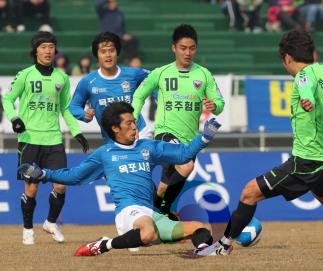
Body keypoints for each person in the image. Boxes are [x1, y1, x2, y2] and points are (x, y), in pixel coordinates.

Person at [195, 29, 323, 256]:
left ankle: (222, 247)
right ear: (312, 53)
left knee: (249, 193)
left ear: (288, 58)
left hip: (307, 161)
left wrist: (307, 99)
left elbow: (304, 87)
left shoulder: (302, 77)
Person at [18, 101, 221, 256]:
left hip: (152, 212)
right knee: (148, 232)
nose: (135, 127)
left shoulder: (148, 148)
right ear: (115, 128)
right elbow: (75, 176)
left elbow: (183, 154)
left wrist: (204, 138)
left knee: (201, 228)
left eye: (134, 122)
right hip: (128, 212)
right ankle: (104, 244)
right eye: (129, 123)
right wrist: (44, 174)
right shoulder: (105, 154)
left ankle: (205, 251)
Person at [1, 31, 89, 245]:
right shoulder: (25, 75)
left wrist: (77, 132)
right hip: (30, 139)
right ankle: (28, 229)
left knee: (61, 185)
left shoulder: (61, 78)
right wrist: (14, 118)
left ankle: (50, 222)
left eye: (51, 46)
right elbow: (7, 98)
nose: (48, 50)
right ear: (35, 50)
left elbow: (65, 109)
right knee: (31, 188)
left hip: (54, 140)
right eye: (43, 47)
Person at [132, 24, 225, 220]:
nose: (188, 52)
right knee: (186, 166)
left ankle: (157, 211)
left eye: (192, 48)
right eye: (183, 48)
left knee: (165, 186)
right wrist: (133, 119)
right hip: (166, 132)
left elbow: (219, 102)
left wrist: (213, 105)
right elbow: (139, 95)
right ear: (174, 48)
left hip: (191, 138)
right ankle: (162, 211)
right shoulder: (161, 73)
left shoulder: (204, 74)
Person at [70, 31, 151, 143]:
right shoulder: (88, 81)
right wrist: (84, 115)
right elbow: (74, 106)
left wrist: (159, 98)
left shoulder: (132, 74)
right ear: (97, 55)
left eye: (111, 51)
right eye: (103, 51)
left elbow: (157, 78)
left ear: (117, 52)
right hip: (112, 140)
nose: (108, 55)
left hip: (139, 133)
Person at [95, 0, 141, 66]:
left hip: (119, 38)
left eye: (114, 2)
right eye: (111, 3)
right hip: (107, 38)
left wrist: (124, 35)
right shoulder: (103, 13)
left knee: (134, 40)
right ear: (107, 4)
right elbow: (98, 4)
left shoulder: (119, 14)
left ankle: (128, 60)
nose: (113, 4)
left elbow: (122, 28)